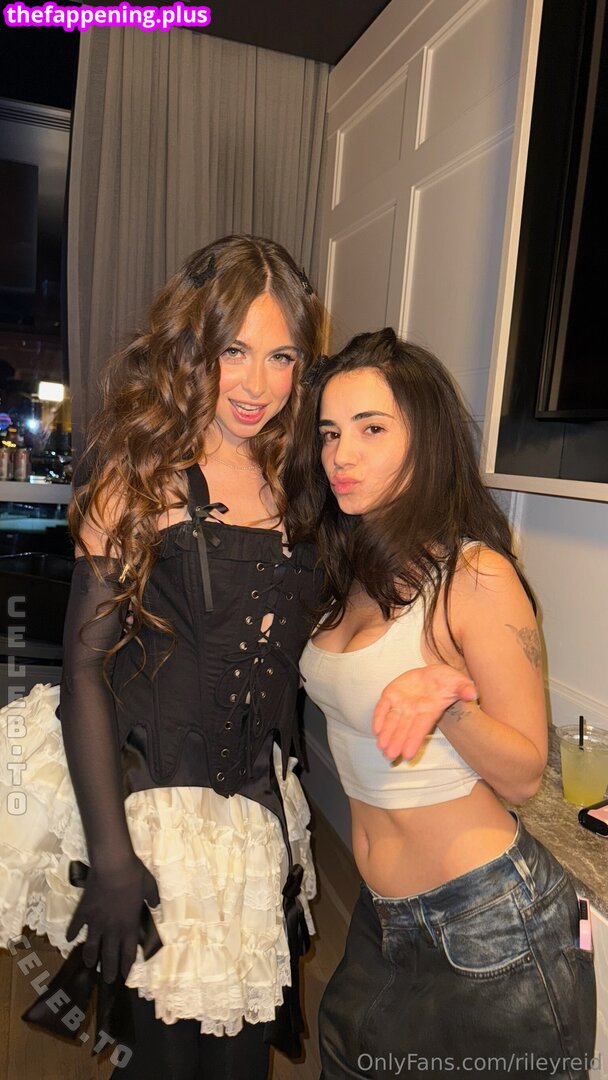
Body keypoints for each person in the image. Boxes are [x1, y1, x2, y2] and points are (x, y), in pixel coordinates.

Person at [0, 244, 474, 1079]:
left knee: (239, 1061)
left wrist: (448, 663)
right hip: (150, 807)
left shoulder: (309, 478)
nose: (258, 384)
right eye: (235, 351)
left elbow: (374, 594)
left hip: (253, 823)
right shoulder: (139, 475)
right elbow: (84, 669)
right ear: (193, 347)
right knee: (162, 1059)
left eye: (282, 356)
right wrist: (112, 856)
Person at [293, 329, 597, 1080]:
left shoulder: (474, 573)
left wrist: (449, 706)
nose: (340, 455)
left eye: (371, 429)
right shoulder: (351, 568)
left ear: (424, 441)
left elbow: (523, 775)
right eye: (330, 433)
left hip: (489, 924)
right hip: (384, 916)